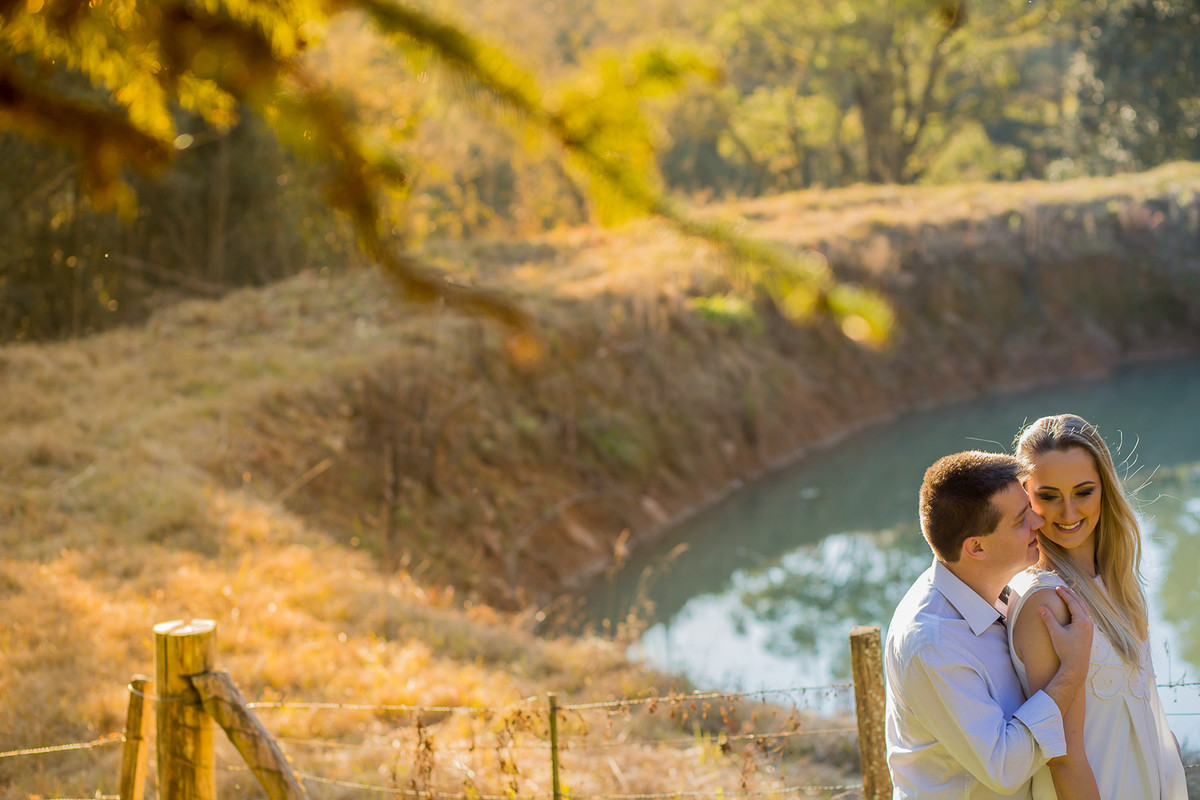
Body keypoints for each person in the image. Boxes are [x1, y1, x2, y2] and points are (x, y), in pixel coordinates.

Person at [885, 450, 1097, 800]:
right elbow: (1005, 767)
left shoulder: (994, 592)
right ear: (976, 548)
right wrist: (1072, 671)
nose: (1038, 522)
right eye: (1020, 520)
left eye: (1029, 507)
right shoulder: (933, 644)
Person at [1007, 414, 1188, 799]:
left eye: (1083, 492)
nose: (1069, 513)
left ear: (1105, 488)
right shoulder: (1046, 600)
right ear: (1026, 497)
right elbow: (1064, 758)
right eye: (1049, 496)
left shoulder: (1117, 580)